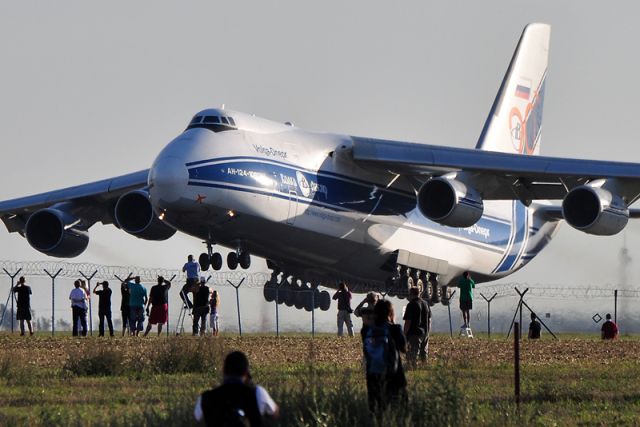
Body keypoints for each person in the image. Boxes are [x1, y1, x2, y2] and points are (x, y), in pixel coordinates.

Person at [194, 351, 279, 426]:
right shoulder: (257, 393)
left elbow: (197, 418)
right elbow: (274, 412)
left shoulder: (206, 397)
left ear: (223, 371)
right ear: (246, 372)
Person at [361, 299, 407, 413]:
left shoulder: (366, 330)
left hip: (372, 373)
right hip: (394, 374)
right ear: (390, 312)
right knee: (399, 406)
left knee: (375, 408)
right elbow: (404, 348)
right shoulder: (395, 329)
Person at [403, 286, 431, 367]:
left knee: (413, 354)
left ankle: (413, 369)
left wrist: (405, 334)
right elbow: (429, 320)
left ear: (411, 294)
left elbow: (408, 321)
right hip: (425, 332)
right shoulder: (426, 303)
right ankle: (424, 368)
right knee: (424, 354)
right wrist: (427, 332)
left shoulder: (411, 304)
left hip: (414, 333)